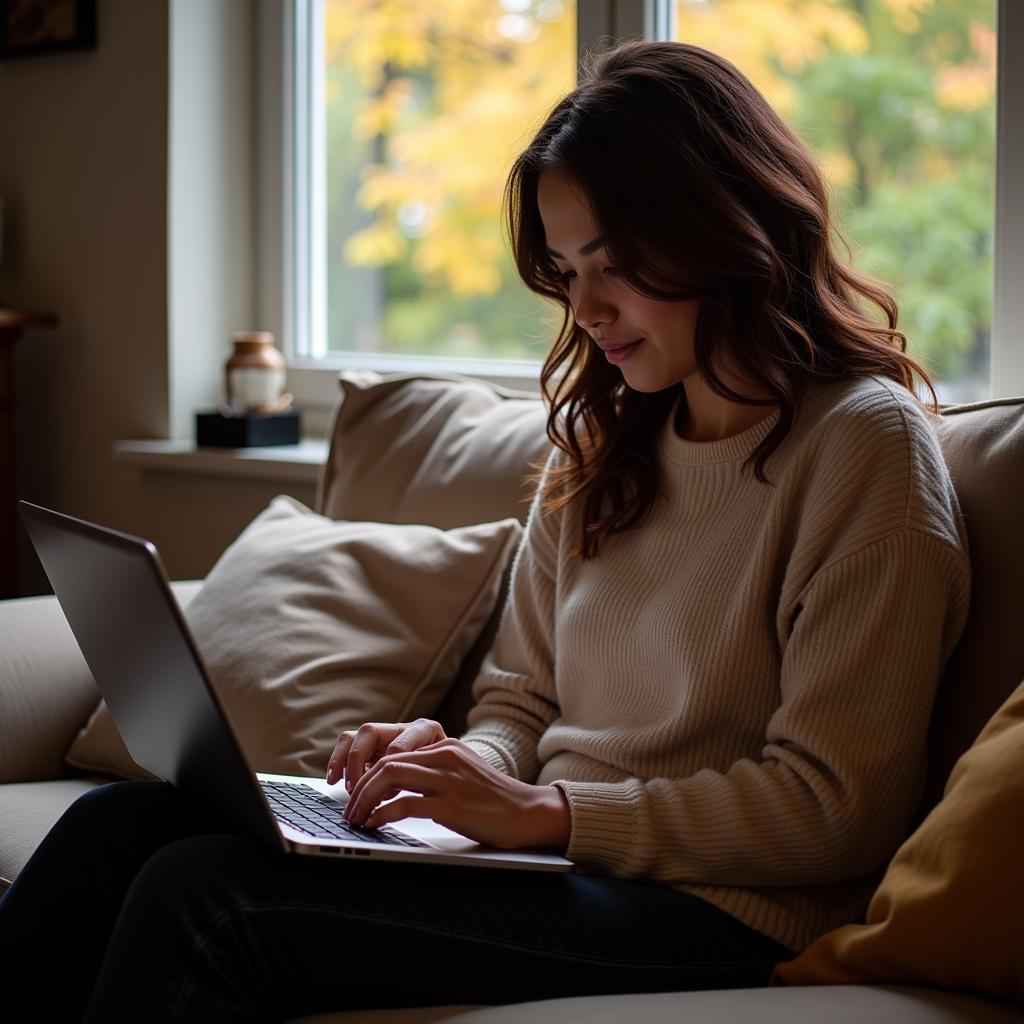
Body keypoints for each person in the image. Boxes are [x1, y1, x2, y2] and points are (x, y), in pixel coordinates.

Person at [0, 39, 970, 1022]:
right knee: (118, 826)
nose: (585, 309)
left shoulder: (862, 448)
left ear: (725, 227)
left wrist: (546, 813)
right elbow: (519, 699)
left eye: (616, 266)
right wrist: (460, 766)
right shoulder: (605, 441)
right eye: (565, 270)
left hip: (722, 913)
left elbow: (835, 806)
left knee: (204, 900)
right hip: (560, 863)